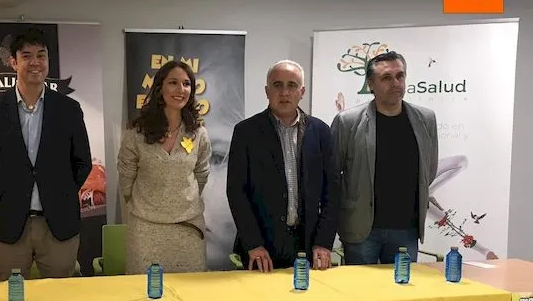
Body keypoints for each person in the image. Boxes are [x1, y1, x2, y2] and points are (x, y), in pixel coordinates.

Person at [0, 28, 92, 282]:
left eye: (41, 55)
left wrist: (60, 192)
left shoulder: (69, 109)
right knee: (11, 298)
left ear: (48, 60)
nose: (35, 62)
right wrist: (5, 194)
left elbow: (82, 162)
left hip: (58, 224)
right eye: (26, 56)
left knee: (60, 299)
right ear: (13, 62)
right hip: (8, 224)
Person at [226, 60, 340, 271]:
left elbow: (332, 192)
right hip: (262, 249)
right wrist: (253, 244)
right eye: (277, 85)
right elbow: (236, 192)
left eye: (292, 85)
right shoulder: (246, 132)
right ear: (267, 91)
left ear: (302, 92)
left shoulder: (321, 132)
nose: (284, 92)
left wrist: (324, 242)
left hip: (309, 246)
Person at [331, 50, 438, 265]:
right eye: (386, 78)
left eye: (400, 76)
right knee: (359, 286)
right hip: (362, 229)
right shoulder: (347, 122)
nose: (395, 83)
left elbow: (430, 169)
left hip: (406, 229)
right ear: (371, 84)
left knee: (402, 286)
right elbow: (332, 175)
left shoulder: (425, 119)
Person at [117, 60, 211, 274]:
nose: (181, 89)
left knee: (190, 291)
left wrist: (181, 202)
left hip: (188, 229)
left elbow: (202, 173)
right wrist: (148, 207)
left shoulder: (198, 133)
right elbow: (126, 177)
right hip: (146, 230)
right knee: (144, 290)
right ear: (160, 88)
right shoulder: (136, 133)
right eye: (173, 83)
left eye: (186, 84)